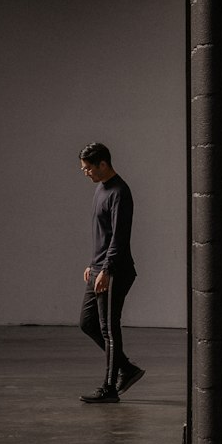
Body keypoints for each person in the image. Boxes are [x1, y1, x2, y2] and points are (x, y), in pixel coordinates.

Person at [77, 142, 145, 403]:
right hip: (98, 268)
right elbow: (102, 236)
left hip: (115, 270)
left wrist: (105, 269)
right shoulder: (100, 190)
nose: (86, 173)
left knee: (108, 328)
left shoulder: (120, 192)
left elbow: (119, 237)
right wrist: (92, 265)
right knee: (88, 323)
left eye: (88, 168)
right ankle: (127, 369)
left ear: (102, 164)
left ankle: (109, 388)